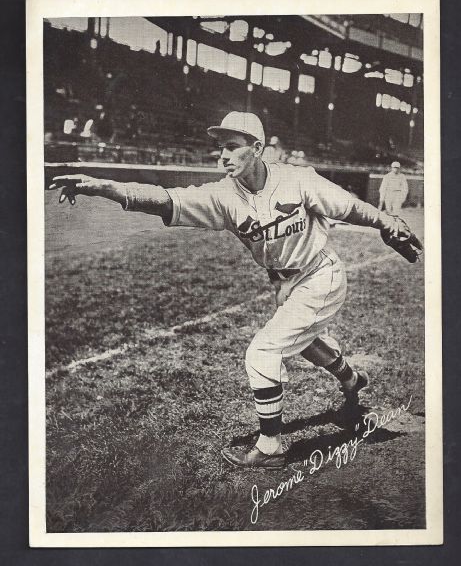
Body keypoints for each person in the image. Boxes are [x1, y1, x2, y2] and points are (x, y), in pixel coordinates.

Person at [50, 111, 415, 469]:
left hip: (321, 273)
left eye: (231, 146)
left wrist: (387, 221)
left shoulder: (297, 179)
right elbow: (164, 198)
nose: (222, 155)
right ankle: (352, 379)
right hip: (287, 282)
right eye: (219, 147)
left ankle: (270, 447)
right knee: (300, 339)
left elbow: (348, 207)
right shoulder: (223, 196)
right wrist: (104, 187)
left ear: (256, 148)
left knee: (262, 352)